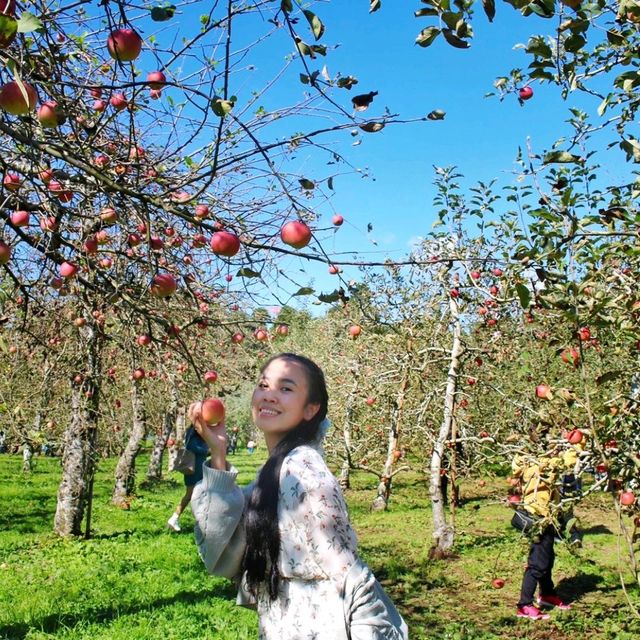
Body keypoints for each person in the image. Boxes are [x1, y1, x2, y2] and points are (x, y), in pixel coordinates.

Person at [190, 353, 408, 639]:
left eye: (286, 388)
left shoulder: (302, 469)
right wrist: (218, 453)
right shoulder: (277, 470)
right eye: (264, 385)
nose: (269, 395)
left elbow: (347, 572)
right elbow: (222, 544)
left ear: (310, 409)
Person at [511, 444, 575, 620]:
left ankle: (547, 594)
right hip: (538, 519)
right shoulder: (542, 465)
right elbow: (565, 463)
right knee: (538, 563)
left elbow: (517, 464)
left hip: (545, 517)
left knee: (547, 558)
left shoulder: (525, 460)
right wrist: (575, 444)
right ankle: (524, 605)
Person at [167, 406, 210, 532]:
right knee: (191, 495)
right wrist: (207, 450)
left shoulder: (195, 432)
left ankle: (197, 520)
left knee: (196, 494)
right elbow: (192, 447)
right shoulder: (193, 433)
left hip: (197, 468)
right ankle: (176, 518)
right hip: (194, 469)